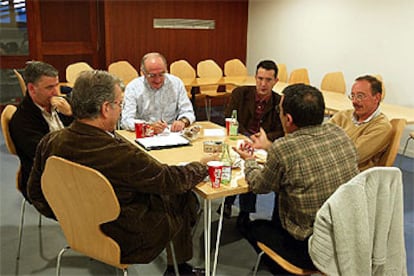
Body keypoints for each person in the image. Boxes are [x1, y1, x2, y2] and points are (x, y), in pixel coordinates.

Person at [27, 70, 217, 276]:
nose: (121, 109)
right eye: (120, 104)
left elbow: (35, 192)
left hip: (76, 229)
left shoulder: (50, 142)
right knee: (183, 196)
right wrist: (202, 165)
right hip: (128, 237)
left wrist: (70, 216)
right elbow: (170, 180)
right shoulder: (121, 154)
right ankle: (178, 269)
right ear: (106, 108)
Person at [233, 83, 359, 273]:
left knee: (254, 227)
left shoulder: (284, 147)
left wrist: (249, 160)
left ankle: (281, 268)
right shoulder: (339, 134)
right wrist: (268, 146)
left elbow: (259, 186)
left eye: (280, 111)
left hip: (310, 247)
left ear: (288, 119)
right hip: (345, 236)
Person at [221, 60, 284, 227]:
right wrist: (246, 136)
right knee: (232, 161)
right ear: (255, 77)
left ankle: (244, 212)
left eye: (268, 80)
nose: (263, 84)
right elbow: (229, 118)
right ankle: (228, 201)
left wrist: (261, 138)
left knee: (252, 166)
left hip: (263, 145)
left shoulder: (279, 102)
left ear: (275, 81)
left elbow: (281, 130)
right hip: (239, 138)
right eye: (260, 78)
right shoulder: (240, 93)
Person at [9, 61, 73, 200]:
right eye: (50, 87)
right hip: (46, 180)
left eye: (57, 85)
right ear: (32, 88)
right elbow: (45, 155)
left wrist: (70, 115)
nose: (56, 92)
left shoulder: (60, 105)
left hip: (67, 165)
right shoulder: (22, 120)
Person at [121, 52, 195, 134]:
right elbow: (126, 120)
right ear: (143, 73)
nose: (158, 80)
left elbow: (188, 112)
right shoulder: (133, 88)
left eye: (161, 74)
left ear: (166, 70)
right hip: (144, 134)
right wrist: (148, 127)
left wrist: (182, 121)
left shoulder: (176, 83)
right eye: (152, 75)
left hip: (172, 134)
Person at [329, 75, 392, 171]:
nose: (354, 101)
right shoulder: (343, 115)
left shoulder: (382, 127)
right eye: (352, 96)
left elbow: (352, 155)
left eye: (360, 96)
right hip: (329, 165)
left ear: (377, 98)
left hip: (351, 176)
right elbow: (319, 138)